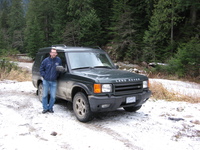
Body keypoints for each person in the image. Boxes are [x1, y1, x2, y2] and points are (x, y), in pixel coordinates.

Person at [40, 48, 62, 113]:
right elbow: (41, 69)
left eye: (55, 52)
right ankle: (45, 108)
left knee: (53, 96)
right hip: (46, 81)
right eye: (52, 52)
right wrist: (44, 76)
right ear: (50, 53)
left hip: (54, 81)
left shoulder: (58, 60)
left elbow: (60, 69)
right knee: (44, 95)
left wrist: (57, 75)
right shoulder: (45, 61)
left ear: (56, 54)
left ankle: (50, 108)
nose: (53, 54)